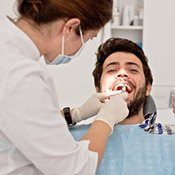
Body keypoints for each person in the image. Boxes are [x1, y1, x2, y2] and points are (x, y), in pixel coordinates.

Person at [0, 1, 132, 175]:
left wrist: (75, 114)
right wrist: (106, 119)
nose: (122, 74)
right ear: (70, 27)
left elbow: (23, 122)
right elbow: (74, 169)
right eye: (89, 38)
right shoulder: (21, 75)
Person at [70, 38, 175, 175]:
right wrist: (74, 114)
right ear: (98, 88)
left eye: (133, 70)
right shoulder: (72, 139)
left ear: (148, 88)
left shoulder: (170, 137)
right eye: (112, 70)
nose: (122, 73)